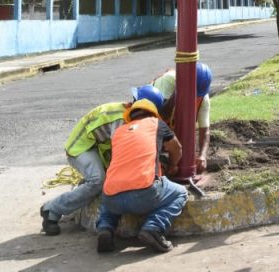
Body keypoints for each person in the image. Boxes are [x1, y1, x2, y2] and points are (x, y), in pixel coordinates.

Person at [39, 85, 164, 236]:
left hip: (95, 146)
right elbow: (121, 151)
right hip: (81, 147)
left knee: (102, 181)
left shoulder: (128, 114)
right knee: (97, 181)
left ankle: (78, 195)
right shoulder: (121, 119)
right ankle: (51, 209)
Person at [95, 97, 188, 254]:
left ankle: (105, 229)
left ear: (130, 117)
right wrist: (172, 166)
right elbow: (176, 148)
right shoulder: (156, 123)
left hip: (112, 199)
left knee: (109, 189)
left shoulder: (119, 132)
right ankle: (153, 228)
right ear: (153, 114)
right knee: (180, 193)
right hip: (144, 194)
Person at [143, 61, 212, 173]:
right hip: (150, 122)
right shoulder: (168, 81)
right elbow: (162, 115)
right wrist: (178, 93)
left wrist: (202, 155)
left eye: (196, 94)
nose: (193, 97)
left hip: (171, 125)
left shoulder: (203, 97)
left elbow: (205, 130)